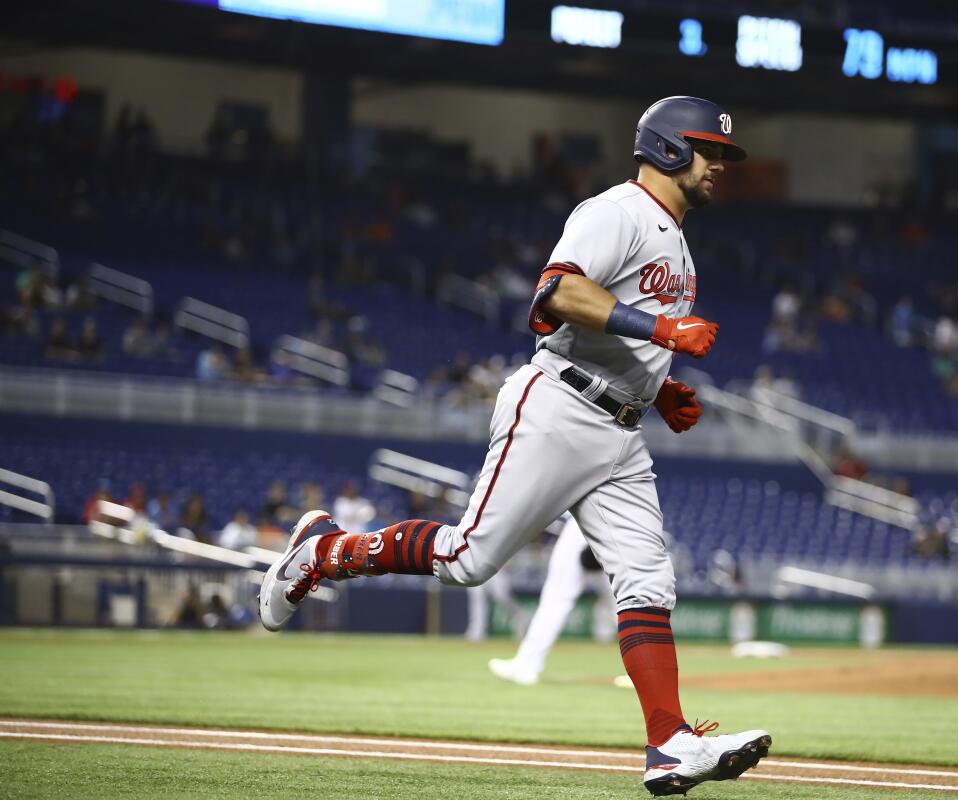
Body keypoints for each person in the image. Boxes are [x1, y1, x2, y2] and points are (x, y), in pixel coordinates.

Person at [258, 96, 771, 795]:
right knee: (468, 560)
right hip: (559, 407)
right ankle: (323, 553)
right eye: (710, 151)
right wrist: (661, 335)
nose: (719, 165)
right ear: (671, 149)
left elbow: (618, 328)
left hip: (619, 432)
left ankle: (669, 744)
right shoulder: (614, 212)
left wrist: (658, 388)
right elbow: (556, 294)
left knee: (648, 579)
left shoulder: (676, 239)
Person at [488, 515, 616, 685]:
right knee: (626, 600)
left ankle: (527, 665)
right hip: (622, 523)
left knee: (557, 597)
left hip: (588, 519)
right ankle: (653, 667)